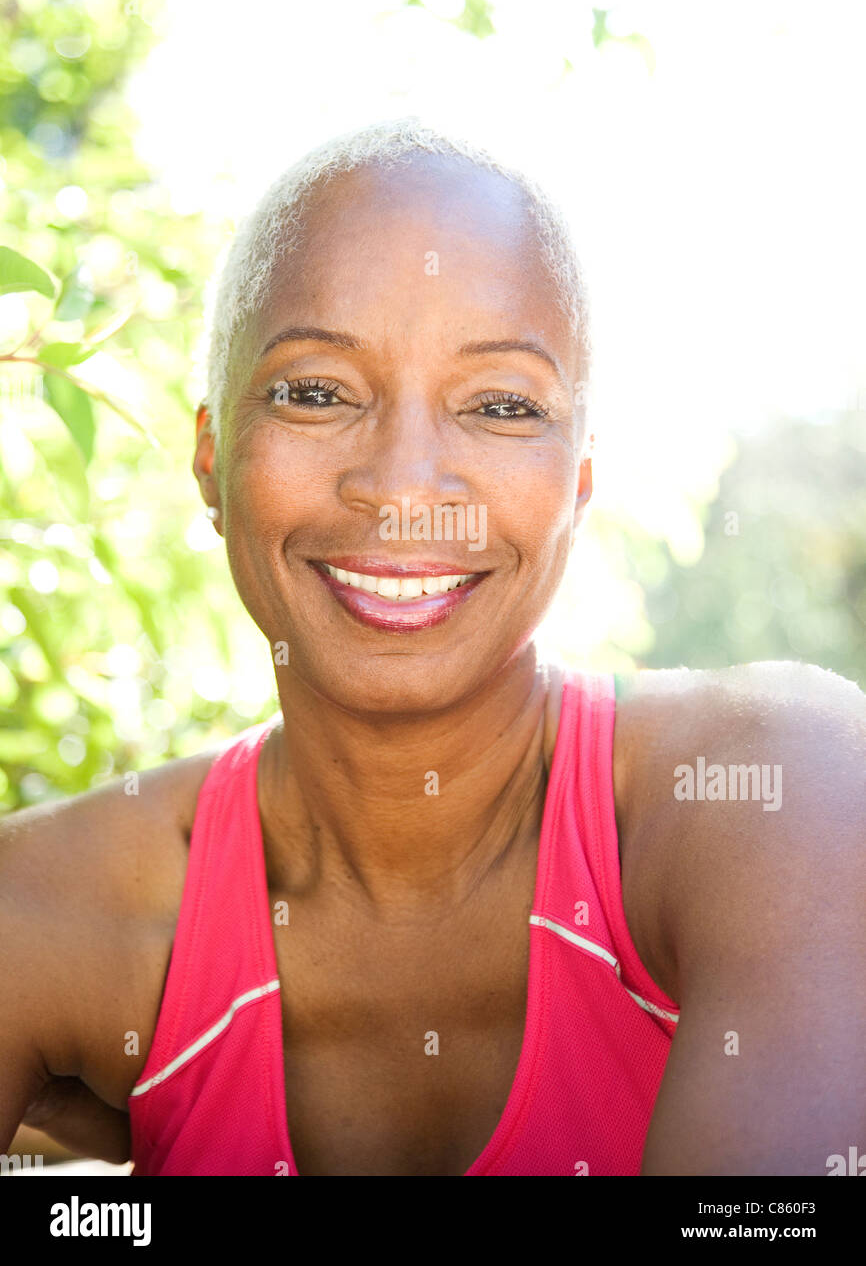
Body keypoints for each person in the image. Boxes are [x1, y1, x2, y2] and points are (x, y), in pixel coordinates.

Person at [1, 119, 863, 1176]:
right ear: (211, 459)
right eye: (315, 391)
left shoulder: (777, 785)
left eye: (499, 405)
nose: (406, 489)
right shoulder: (44, 915)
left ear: (578, 483)